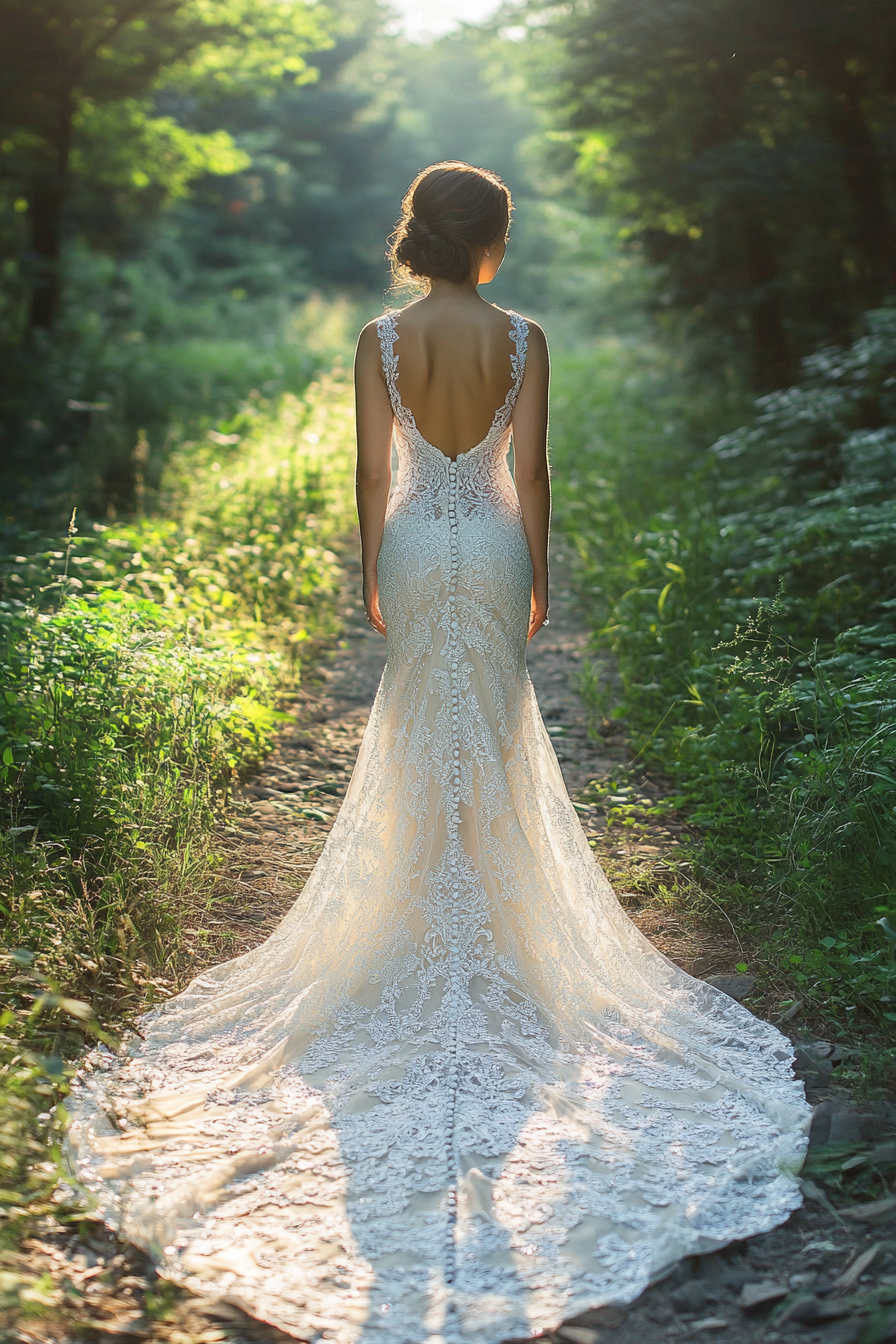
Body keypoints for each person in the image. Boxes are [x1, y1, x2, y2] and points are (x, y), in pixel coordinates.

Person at [68, 161, 810, 1344]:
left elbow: (372, 470)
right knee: (497, 736)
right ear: (494, 240)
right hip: (494, 547)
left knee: (420, 731)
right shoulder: (524, 337)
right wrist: (539, 572)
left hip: (418, 542)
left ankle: (413, 921)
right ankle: (505, 935)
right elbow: (530, 472)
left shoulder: (378, 338)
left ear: (419, 237)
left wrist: (372, 566)